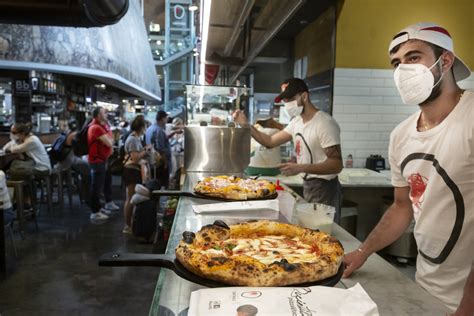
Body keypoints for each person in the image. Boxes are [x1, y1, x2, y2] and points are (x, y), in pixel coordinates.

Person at [343, 23, 473, 315]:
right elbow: (402, 207)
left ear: (446, 60)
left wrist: (468, 305)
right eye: (397, 63)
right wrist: (364, 253)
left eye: (414, 57)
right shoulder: (401, 136)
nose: (403, 70)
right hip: (427, 285)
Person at [233, 78, 343, 222]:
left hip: (325, 188)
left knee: (325, 233)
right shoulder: (297, 122)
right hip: (309, 185)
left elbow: (336, 165)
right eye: (285, 100)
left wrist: (301, 167)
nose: (287, 104)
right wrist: (245, 124)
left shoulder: (324, 123)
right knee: (312, 230)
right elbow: (270, 142)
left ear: (304, 96)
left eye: (291, 99)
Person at [88, 107, 119, 224]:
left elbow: (110, 140)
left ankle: (102, 207)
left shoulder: (101, 126)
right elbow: (110, 142)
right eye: (104, 112)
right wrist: (110, 140)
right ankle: (95, 212)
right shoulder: (96, 128)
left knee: (104, 183)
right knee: (96, 187)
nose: (106, 114)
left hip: (102, 160)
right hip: (97, 161)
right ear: (98, 115)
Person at [122, 115, 151, 234]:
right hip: (131, 171)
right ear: (141, 127)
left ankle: (130, 224)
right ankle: (127, 226)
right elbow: (134, 158)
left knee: (132, 198)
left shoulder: (135, 138)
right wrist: (146, 150)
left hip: (134, 171)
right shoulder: (133, 139)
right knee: (130, 198)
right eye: (145, 126)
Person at [54, 119, 90, 204]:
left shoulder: (68, 133)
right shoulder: (74, 135)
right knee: (88, 169)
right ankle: (87, 196)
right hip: (69, 161)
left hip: (65, 160)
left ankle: (83, 192)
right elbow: (80, 150)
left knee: (86, 167)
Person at [146, 110, 171, 188]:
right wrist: (165, 162)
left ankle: (155, 199)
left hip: (152, 162)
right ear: (163, 118)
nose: (167, 120)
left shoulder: (150, 128)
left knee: (154, 184)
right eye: (166, 118)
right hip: (160, 163)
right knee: (162, 184)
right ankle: (161, 199)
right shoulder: (159, 130)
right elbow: (161, 149)